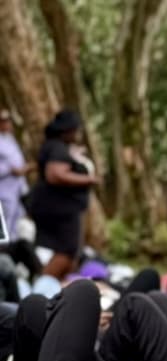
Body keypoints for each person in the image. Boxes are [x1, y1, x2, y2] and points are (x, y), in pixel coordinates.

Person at [25, 110, 98, 279]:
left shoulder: (56, 147)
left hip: (59, 208)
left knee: (70, 255)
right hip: (60, 210)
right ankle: (40, 288)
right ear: (67, 131)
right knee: (65, 253)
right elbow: (55, 174)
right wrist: (88, 179)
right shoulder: (57, 148)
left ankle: (55, 287)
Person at [0, 109, 28, 241]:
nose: (7, 123)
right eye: (3, 121)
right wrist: (10, 170)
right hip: (4, 191)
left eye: (8, 120)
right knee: (5, 224)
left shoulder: (10, 138)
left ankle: (12, 249)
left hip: (16, 189)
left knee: (17, 222)